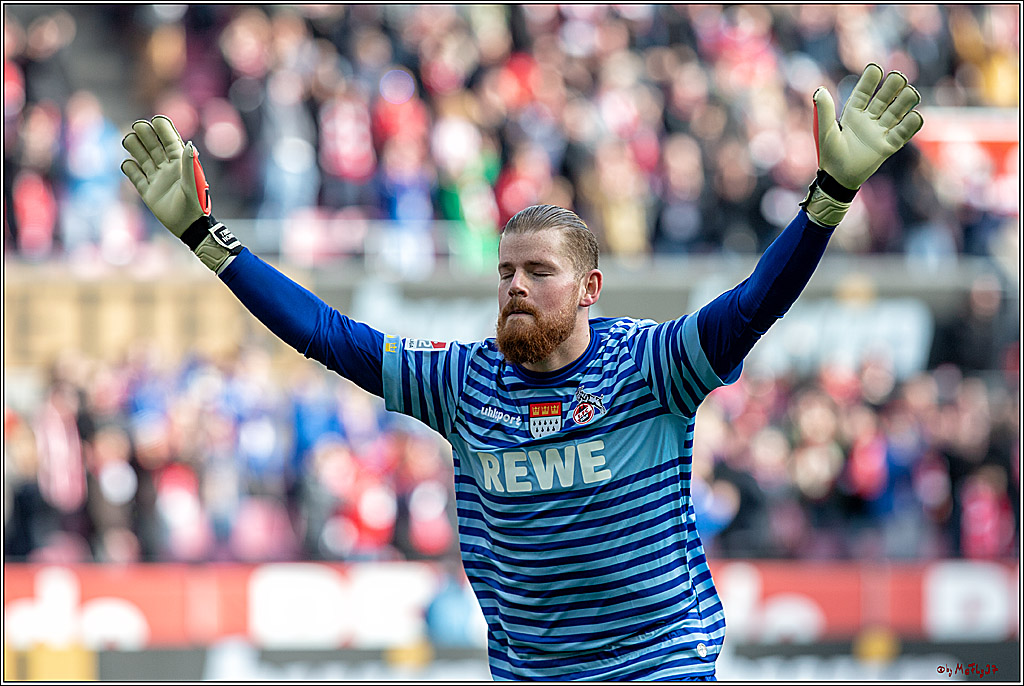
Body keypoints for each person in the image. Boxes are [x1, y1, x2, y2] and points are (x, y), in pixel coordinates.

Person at [121, 64, 923, 681]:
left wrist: (832, 191)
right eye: (505, 271)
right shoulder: (460, 385)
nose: (515, 285)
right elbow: (328, 335)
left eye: (538, 271)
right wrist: (202, 234)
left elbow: (754, 304)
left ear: (588, 290)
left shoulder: (652, 365)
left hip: (661, 666)